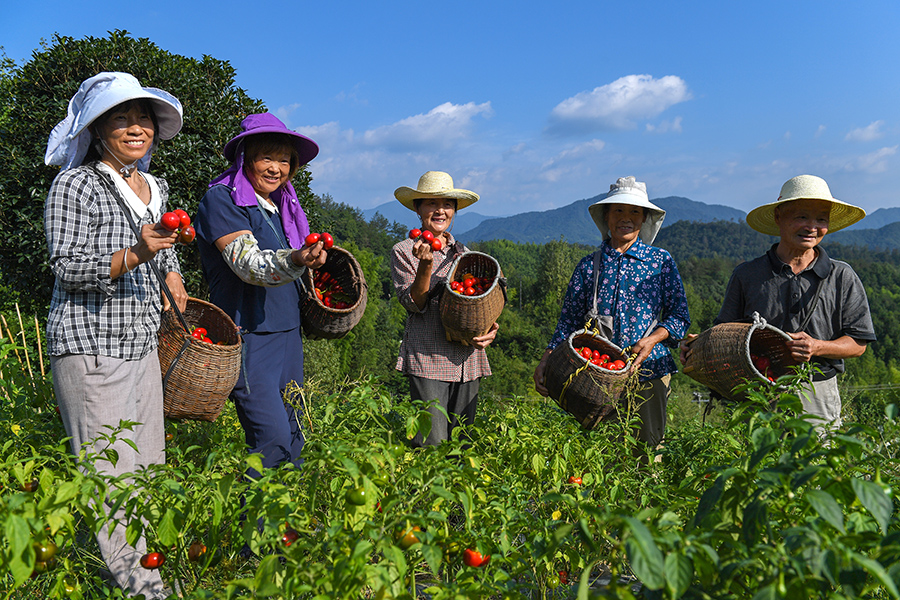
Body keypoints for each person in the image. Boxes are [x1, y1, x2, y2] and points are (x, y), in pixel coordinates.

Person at [43, 71, 187, 599]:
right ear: (98, 130)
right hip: (92, 344)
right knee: (112, 478)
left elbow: (164, 245)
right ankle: (144, 590)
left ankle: (127, 575)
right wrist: (137, 253)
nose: (135, 127)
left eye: (143, 118)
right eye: (121, 118)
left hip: (141, 343)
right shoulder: (76, 185)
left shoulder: (154, 186)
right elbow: (66, 267)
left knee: (146, 470)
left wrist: (172, 273)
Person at [682, 175, 876, 428]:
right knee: (760, 453)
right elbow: (725, 333)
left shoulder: (841, 275)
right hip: (759, 391)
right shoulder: (748, 275)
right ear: (778, 217)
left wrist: (816, 347)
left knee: (816, 454)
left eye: (821, 219)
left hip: (817, 394)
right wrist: (698, 345)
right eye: (802, 217)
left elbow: (858, 344)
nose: (812, 227)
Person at [194, 113, 325, 475]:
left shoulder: (282, 206)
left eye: (284, 160)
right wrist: (297, 258)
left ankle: (288, 511)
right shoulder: (223, 200)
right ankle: (252, 512)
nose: (276, 168)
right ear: (245, 158)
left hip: (287, 332)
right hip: (249, 334)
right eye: (267, 157)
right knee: (271, 438)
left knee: (295, 437)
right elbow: (248, 265)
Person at [533, 176, 690, 450]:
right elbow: (568, 322)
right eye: (618, 210)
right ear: (606, 216)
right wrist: (546, 359)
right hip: (596, 375)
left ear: (644, 218)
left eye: (634, 211)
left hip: (649, 371)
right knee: (600, 454)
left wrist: (652, 340)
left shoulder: (660, 262)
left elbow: (679, 317)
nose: (626, 218)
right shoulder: (588, 266)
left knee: (646, 453)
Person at [391, 171, 499, 447]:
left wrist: (490, 329)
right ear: (417, 209)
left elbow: (481, 302)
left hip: (468, 360)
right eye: (431, 203)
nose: (440, 210)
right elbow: (414, 304)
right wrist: (426, 265)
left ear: (454, 211)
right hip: (429, 358)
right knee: (432, 446)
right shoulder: (404, 250)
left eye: (447, 204)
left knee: (463, 445)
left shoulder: (463, 253)